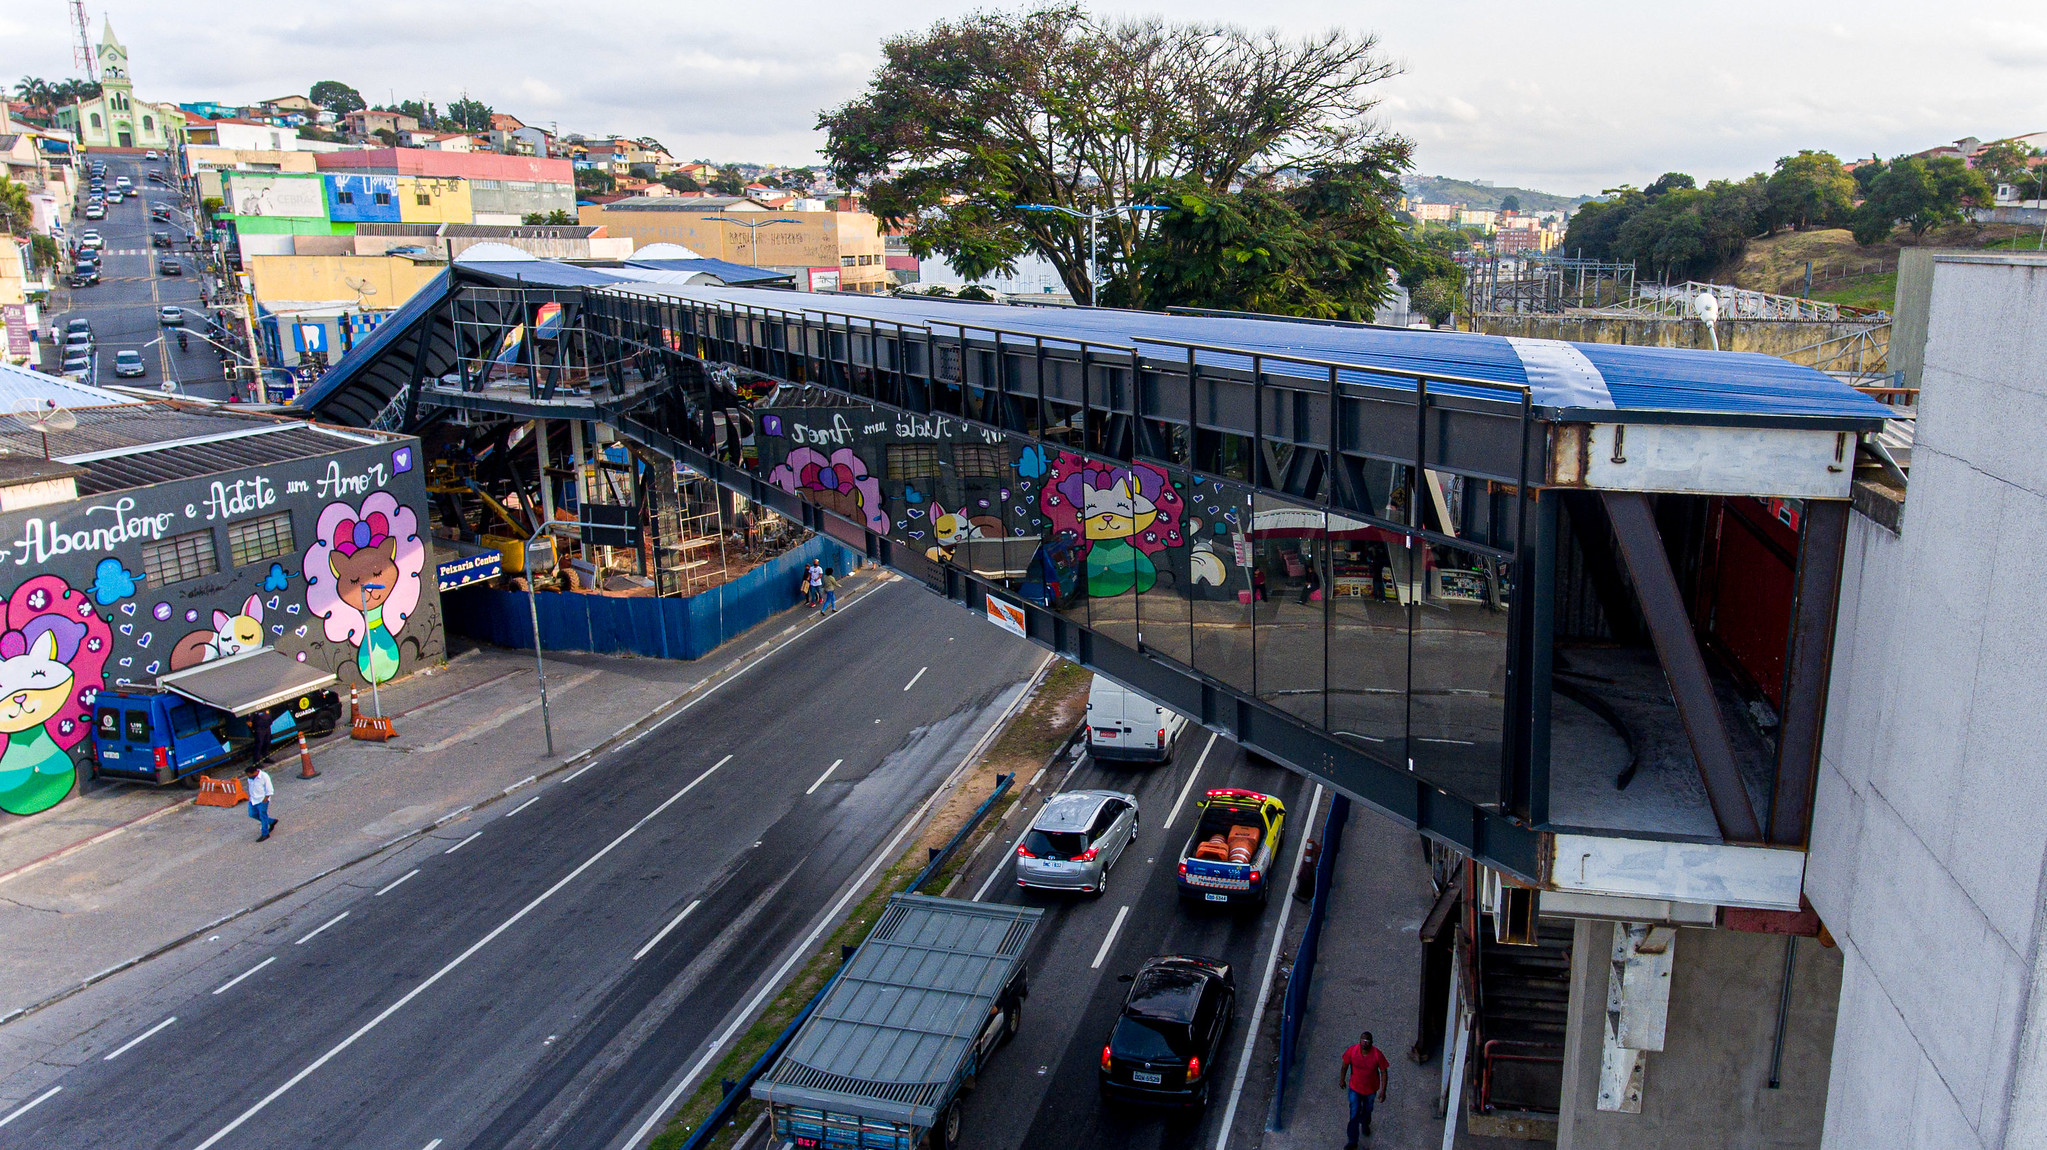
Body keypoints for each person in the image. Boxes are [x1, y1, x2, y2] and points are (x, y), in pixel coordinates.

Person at [1340, 1030, 1390, 1145]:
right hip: (1355, 1088)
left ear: (1372, 1042)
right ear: (1359, 1041)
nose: (1365, 1043)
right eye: (1363, 1040)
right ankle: (1352, 1141)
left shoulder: (1377, 1055)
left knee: (1368, 1109)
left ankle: (1365, 1123)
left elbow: (1384, 1072)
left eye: (1367, 1041)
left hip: (1370, 1090)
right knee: (1354, 1113)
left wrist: (1383, 1091)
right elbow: (1344, 1066)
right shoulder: (1352, 1051)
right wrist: (1342, 1079)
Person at [244, 762, 277, 842]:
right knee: (252, 814)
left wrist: (265, 800)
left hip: (262, 800)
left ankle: (265, 833)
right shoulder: (250, 778)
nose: (248, 777)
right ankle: (271, 821)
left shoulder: (264, 777)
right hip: (253, 800)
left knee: (262, 815)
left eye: (249, 775)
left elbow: (269, 789)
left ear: (254, 772)